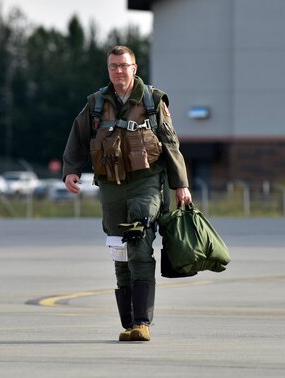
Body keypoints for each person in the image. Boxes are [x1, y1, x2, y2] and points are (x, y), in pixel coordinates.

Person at [62, 45, 192, 342]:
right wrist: (71, 169)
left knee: (138, 235)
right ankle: (129, 323)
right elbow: (78, 136)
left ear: (135, 68)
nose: (118, 71)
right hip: (111, 187)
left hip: (146, 182)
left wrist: (180, 184)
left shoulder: (153, 101)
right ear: (108, 69)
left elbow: (170, 143)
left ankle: (143, 322)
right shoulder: (96, 103)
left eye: (124, 65)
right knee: (119, 251)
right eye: (113, 66)